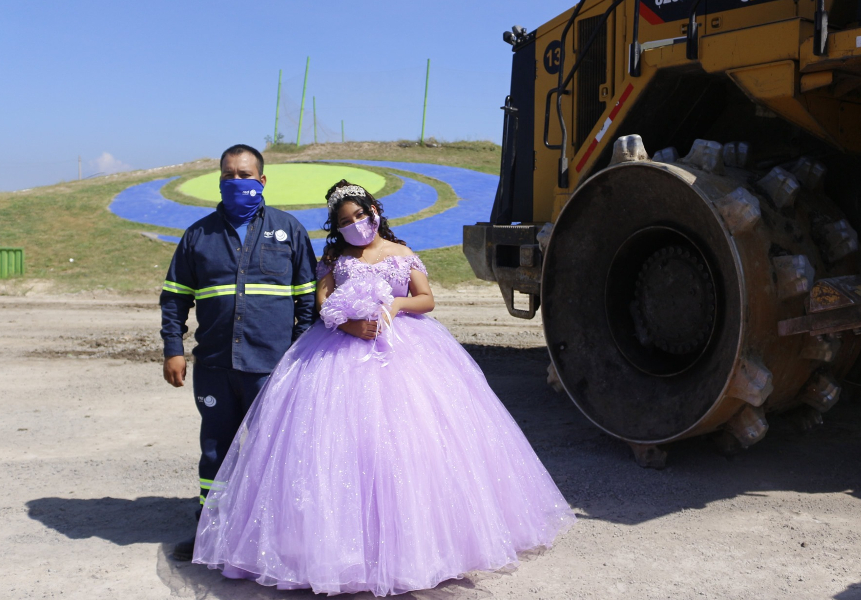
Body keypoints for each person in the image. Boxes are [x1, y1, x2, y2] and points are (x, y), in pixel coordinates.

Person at [193, 180, 574, 596]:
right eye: (345, 221)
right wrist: (350, 323)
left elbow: (426, 299)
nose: (355, 225)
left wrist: (395, 304)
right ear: (335, 228)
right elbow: (323, 303)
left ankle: (418, 548)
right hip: (339, 353)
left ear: (375, 210)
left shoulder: (401, 252)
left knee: (408, 445)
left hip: (406, 351)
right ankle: (330, 551)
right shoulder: (337, 257)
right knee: (333, 447)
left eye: (360, 215)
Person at [160, 144, 318, 562]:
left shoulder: (289, 230)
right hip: (214, 365)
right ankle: (210, 535)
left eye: (245, 175)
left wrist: (300, 353)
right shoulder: (198, 235)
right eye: (229, 175)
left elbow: (309, 300)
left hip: (273, 366)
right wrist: (173, 349)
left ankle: (277, 540)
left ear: (262, 181)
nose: (237, 182)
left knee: (275, 452)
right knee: (216, 450)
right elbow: (174, 298)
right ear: (220, 180)